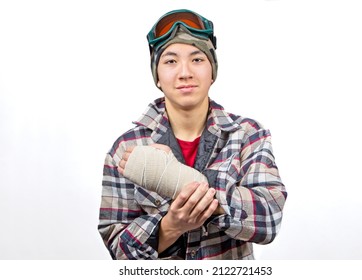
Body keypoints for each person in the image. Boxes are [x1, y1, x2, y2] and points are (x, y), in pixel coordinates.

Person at [98, 9, 287, 260]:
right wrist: (170, 226)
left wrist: (180, 180)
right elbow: (118, 251)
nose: (185, 72)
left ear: (212, 71)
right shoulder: (127, 148)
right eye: (170, 61)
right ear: (157, 76)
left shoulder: (248, 135)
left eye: (197, 59)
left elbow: (269, 217)